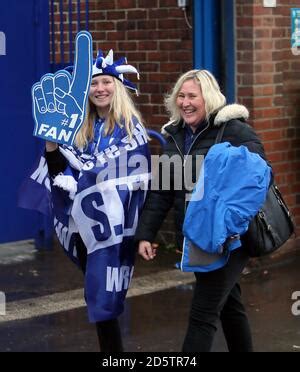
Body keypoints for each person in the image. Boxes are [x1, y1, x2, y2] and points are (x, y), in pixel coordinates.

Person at [22, 49, 150, 352]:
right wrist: (52, 145)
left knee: (103, 297)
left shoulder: (132, 130)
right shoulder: (78, 128)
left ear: (117, 86)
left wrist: (84, 177)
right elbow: (58, 176)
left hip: (115, 230)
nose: (100, 89)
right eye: (93, 84)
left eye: (106, 82)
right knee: (98, 294)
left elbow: (135, 176)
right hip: (83, 228)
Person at [135, 69, 269, 352]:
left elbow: (258, 179)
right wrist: (146, 233)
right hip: (199, 236)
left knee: (202, 315)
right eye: (180, 96)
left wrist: (228, 225)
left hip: (230, 239)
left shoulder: (233, 130)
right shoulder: (175, 136)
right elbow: (163, 192)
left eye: (192, 96)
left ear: (207, 98)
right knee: (229, 305)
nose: (185, 102)